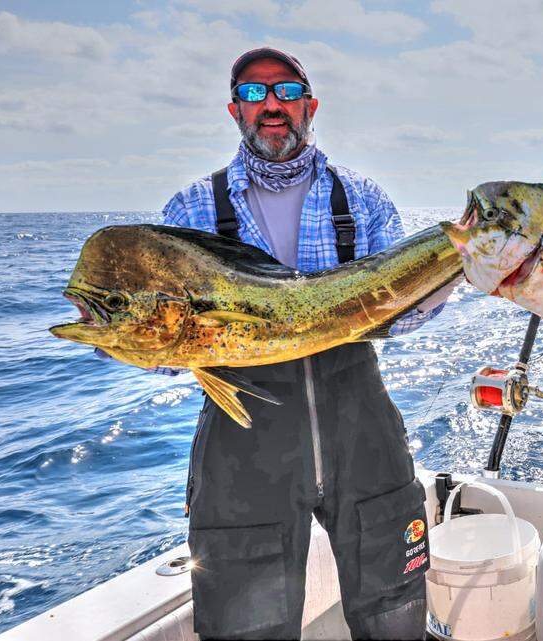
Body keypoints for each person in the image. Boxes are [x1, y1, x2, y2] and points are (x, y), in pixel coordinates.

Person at [164, 47, 456, 640]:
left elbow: (399, 321)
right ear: (234, 111)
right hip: (244, 448)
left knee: (395, 613)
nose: (270, 104)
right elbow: (167, 349)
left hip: (361, 430)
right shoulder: (191, 209)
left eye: (285, 90)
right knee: (247, 628)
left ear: (309, 104)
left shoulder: (363, 198)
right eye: (253, 93)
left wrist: (456, 275)